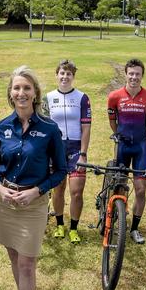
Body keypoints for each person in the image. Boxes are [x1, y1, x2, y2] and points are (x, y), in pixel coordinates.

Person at [0, 66, 66, 290]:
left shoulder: (50, 129)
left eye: (26, 88)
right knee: (13, 255)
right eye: (17, 88)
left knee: (27, 262)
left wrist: (37, 191)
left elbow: (61, 170)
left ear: (35, 94)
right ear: (11, 93)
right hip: (6, 204)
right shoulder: (1, 128)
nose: (21, 93)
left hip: (33, 204)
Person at [107, 58, 146, 244]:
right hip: (122, 146)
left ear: (142, 76)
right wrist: (120, 134)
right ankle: (114, 220)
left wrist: (139, 137)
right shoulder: (114, 96)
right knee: (119, 186)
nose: (134, 77)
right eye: (131, 73)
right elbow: (112, 121)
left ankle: (135, 228)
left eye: (137, 74)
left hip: (140, 147)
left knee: (141, 190)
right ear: (126, 74)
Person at [42, 59, 91, 244]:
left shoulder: (82, 98)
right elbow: (45, 127)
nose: (65, 77)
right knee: (58, 189)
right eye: (62, 73)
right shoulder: (48, 98)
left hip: (76, 148)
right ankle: (60, 224)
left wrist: (83, 153)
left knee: (76, 191)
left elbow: (86, 127)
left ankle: (73, 228)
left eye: (68, 74)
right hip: (56, 149)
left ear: (73, 76)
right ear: (56, 75)